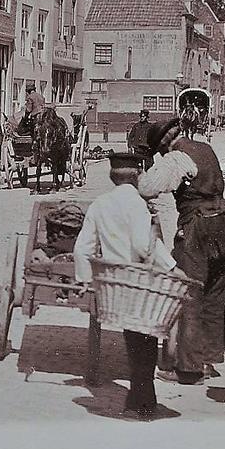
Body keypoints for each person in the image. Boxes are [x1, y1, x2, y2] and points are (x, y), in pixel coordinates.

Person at [73, 153, 179, 420]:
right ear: (136, 176)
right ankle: (139, 402)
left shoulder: (100, 204)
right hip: (139, 281)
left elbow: (83, 248)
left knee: (134, 340)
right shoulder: (137, 205)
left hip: (116, 285)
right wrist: (171, 267)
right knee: (146, 341)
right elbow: (145, 247)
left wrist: (88, 281)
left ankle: (143, 400)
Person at [139, 118, 225, 385]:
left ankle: (188, 368)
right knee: (215, 292)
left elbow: (148, 188)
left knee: (189, 291)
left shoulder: (175, 158)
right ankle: (208, 360)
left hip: (198, 225)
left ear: (163, 143)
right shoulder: (205, 147)